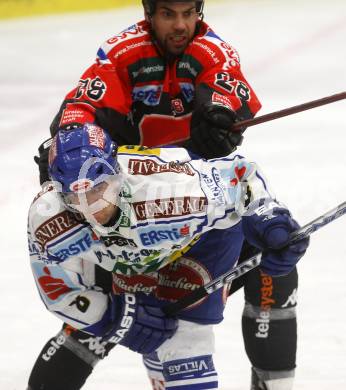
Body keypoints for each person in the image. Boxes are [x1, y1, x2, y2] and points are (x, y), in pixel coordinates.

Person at [30, 1, 298, 389]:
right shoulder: (122, 54)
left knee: (275, 265)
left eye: (189, 13)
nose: (181, 25)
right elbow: (82, 112)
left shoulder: (212, 51)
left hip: (199, 212)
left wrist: (219, 117)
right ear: (149, 13)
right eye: (169, 14)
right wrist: (71, 151)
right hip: (127, 216)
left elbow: (225, 88)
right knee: (99, 319)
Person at [28, 124, 309, 390]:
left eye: (99, 189)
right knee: (128, 331)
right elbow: (59, 292)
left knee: (186, 341)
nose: (92, 209)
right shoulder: (47, 216)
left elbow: (240, 175)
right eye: (76, 199)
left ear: (117, 173)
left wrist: (270, 219)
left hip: (198, 243)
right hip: (125, 259)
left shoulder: (172, 190)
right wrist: (116, 319)